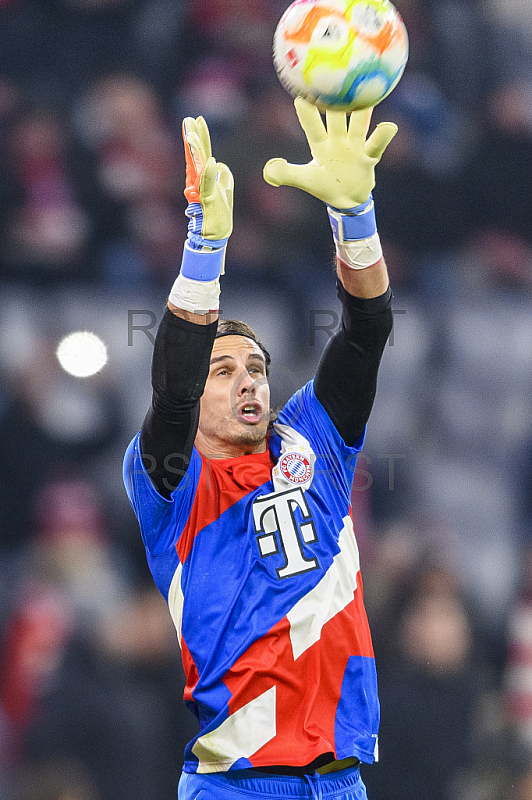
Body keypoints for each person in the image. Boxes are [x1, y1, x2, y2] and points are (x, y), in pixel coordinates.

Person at [123, 96, 397, 800]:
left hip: (342, 783)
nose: (248, 381)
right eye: (226, 371)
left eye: (257, 368)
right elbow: (174, 390)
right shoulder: (169, 486)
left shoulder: (313, 445)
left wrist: (354, 221)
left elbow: (366, 331)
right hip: (235, 787)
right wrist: (204, 250)